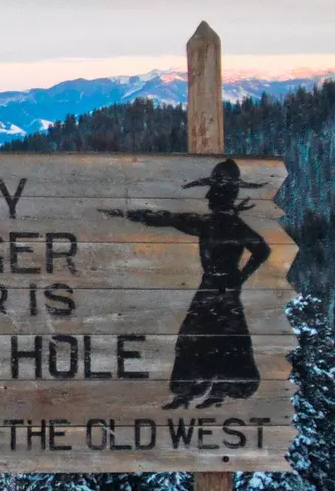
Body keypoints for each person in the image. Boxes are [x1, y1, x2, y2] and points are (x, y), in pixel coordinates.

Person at [101, 158, 271, 409]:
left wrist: (242, 276)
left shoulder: (221, 224)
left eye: (215, 190)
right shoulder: (225, 224)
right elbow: (261, 251)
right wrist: (241, 277)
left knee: (205, 337)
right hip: (216, 286)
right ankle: (205, 388)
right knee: (220, 338)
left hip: (216, 287)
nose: (210, 195)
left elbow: (262, 250)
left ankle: (203, 388)